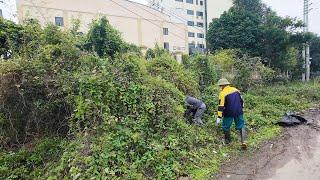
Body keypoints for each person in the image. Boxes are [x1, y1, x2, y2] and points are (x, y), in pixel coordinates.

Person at [216, 78, 247, 149]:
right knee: (241, 125)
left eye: (220, 86)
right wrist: (242, 108)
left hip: (228, 112)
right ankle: (243, 142)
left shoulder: (222, 93)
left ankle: (228, 142)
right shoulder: (236, 90)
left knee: (225, 126)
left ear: (222, 85)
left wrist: (219, 117)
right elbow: (242, 100)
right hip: (239, 111)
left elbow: (221, 106)